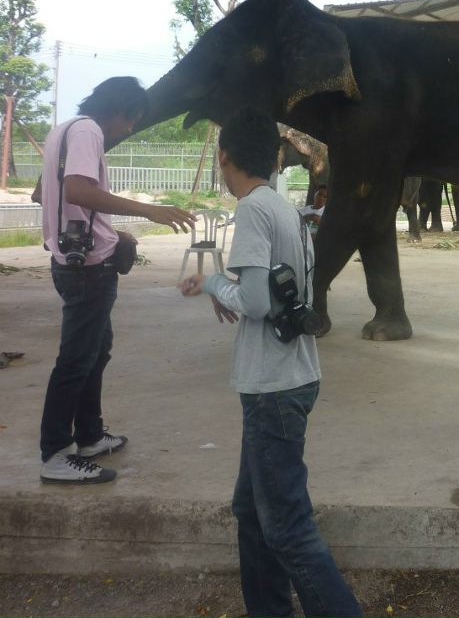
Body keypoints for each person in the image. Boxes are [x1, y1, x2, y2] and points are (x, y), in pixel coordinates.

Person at [179, 107, 362, 618]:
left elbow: (256, 304)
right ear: (277, 157)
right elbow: (274, 294)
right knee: (251, 512)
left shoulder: (255, 210)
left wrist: (215, 283)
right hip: (291, 377)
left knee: (286, 527)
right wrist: (228, 286)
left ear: (223, 157)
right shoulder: (284, 209)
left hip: (274, 389)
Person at [37, 76, 196, 484]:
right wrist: (148, 211)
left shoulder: (64, 130)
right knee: (75, 359)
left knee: (95, 349)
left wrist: (102, 226)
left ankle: (89, 435)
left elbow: (44, 193)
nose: (130, 128)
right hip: (89, 269)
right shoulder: (90, 131)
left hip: (71, 260)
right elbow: (76, 190)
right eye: (133, 119)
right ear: (120, 109)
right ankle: (56, 453)